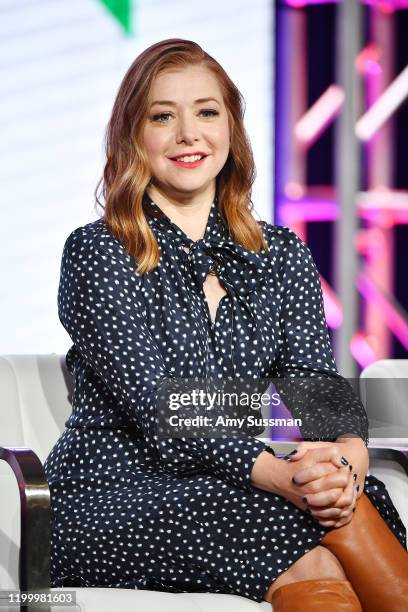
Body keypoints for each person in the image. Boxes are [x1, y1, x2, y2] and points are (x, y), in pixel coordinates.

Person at [44, 38, 408, 610]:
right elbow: (158, 403)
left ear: (231, 129)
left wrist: (345, 459)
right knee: (305, 545)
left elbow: (313, 380)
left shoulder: (279, 253)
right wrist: (275, 472)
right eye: (163, 116)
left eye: (207, 112)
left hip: (229, 481)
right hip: (114, 494)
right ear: (134, 135)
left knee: (356, 500)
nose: (189, 134)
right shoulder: (100, 251)